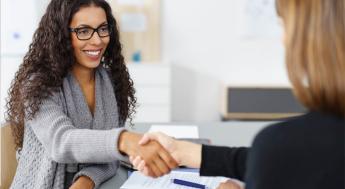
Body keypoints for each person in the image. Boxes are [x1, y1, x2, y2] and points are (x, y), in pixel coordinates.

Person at [130, 0, 345, 188]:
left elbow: (283, 158)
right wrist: (183, 151)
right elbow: (281, 160)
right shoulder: (290, 148)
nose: (282, 39)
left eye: (283, 26)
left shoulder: (282, 145)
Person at [6, 0, 177, 188]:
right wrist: (123, 140)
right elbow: (61, 141)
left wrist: (86, 180)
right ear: (62, 35)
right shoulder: (38, 84)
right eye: (83, 31)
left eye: (103, 28)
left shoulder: (111, 81)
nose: (97, 40)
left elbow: (110, 156)